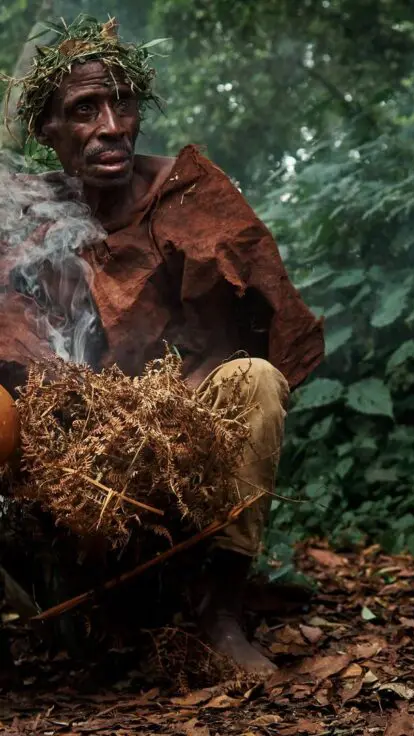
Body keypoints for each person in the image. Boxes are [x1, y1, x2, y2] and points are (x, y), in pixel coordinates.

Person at [0, 17, 324, 675]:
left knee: (257, 380)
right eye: (84, 110)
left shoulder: (187, 192)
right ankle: (72, 603)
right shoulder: (30, 216)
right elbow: (16, 340)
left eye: (123, 103)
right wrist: (75, 403)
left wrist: (168, 405)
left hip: (186, 424)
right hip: (76, 447)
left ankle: (222, 616)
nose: (112, 126)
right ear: (48, 132)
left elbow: (265, 319)